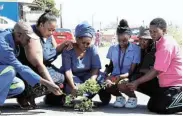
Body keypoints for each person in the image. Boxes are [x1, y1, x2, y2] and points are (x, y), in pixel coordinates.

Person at [16, 10, 73, 107]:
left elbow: (54, 50)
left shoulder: (48, 35)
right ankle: (24, 95)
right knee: (54, 80)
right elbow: (39, 64)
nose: (52, 33)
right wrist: (51, 84)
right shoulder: (32, 36)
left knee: (61, 77)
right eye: (50, 29)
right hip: (29, 69)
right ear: (41, 25)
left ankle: (49, 98)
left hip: (44, 66)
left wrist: (65, 44)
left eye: (53, 30)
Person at [0, 21, 62, 107]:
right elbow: (20, 67)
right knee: (10, 70)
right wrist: (47, 83)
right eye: (28, 38)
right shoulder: (3, 45)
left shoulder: (12, 35)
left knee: (19, 86)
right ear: (19, 35)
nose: (29, 41)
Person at [127, 18, 182, 114]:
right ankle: (167, 99)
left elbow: (156, 70)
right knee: (152, 106)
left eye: (155, 31)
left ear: (164, 31)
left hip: (175, 85)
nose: (152, 34)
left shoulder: (166, 45)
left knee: (161, 107)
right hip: (164, 84)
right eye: (151, 31)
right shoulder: (159, 42)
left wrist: (137, 82)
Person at [61, 22, 111, 105]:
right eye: (83, 43)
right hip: (74, 76)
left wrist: (92, 80)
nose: (85, 45)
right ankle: (78, 95)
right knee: (72, 88)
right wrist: (73, 87)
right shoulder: (68, 50)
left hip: (88, 75)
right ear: (77, 39)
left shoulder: (92, 48)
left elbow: (96, 67)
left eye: (88, 43)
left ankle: (101, 93)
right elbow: (68, 71)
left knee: (102, 79)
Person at [104, 19, 141, 108]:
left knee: (122, 84)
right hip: (115, 75)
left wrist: (120, 77)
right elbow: (111, 65)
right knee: (105, 83)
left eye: (124, 40)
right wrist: (105, 74)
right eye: (119, 40)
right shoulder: (112, 49)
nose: (121, 43)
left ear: (129, 37)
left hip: (128, 76)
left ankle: (133, 98)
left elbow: (132, 71)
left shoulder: (136, 49)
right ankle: (119, 97)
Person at [131, 28, 160, 97]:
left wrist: (139, 70)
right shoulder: (140, 50)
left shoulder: (155, 51)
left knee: (134, 78)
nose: (142, 42)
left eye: (145, 40)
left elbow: (154, 72)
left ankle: (155, 95)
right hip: (144, 77)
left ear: (151, 41)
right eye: (140, 39)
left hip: (155, 80)